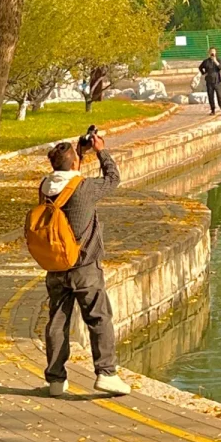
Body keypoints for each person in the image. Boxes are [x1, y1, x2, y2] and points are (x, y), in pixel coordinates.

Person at [40, 135, 131, 397]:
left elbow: (67, 176)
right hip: (84, 267)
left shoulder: (45, 186)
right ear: (74, 164)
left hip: (56, 265)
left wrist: (78, 154)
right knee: (99, 318)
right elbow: (113, 178)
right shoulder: (84, 188)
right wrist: (101, 151)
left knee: (57, 321)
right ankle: (107, 373)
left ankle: (56, 380)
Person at [198, 47, 221, 117]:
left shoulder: (218, 60)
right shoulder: (206, 61)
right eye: (211, 51)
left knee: (219, 96)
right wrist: (204, 73)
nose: (212, 52)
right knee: (210, 96)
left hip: (217, 82)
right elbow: (200, 67)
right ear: (209, 52)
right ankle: (213, 110)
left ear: (215, 52)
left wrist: (215, 61)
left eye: (213, 51)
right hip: (209, 82)